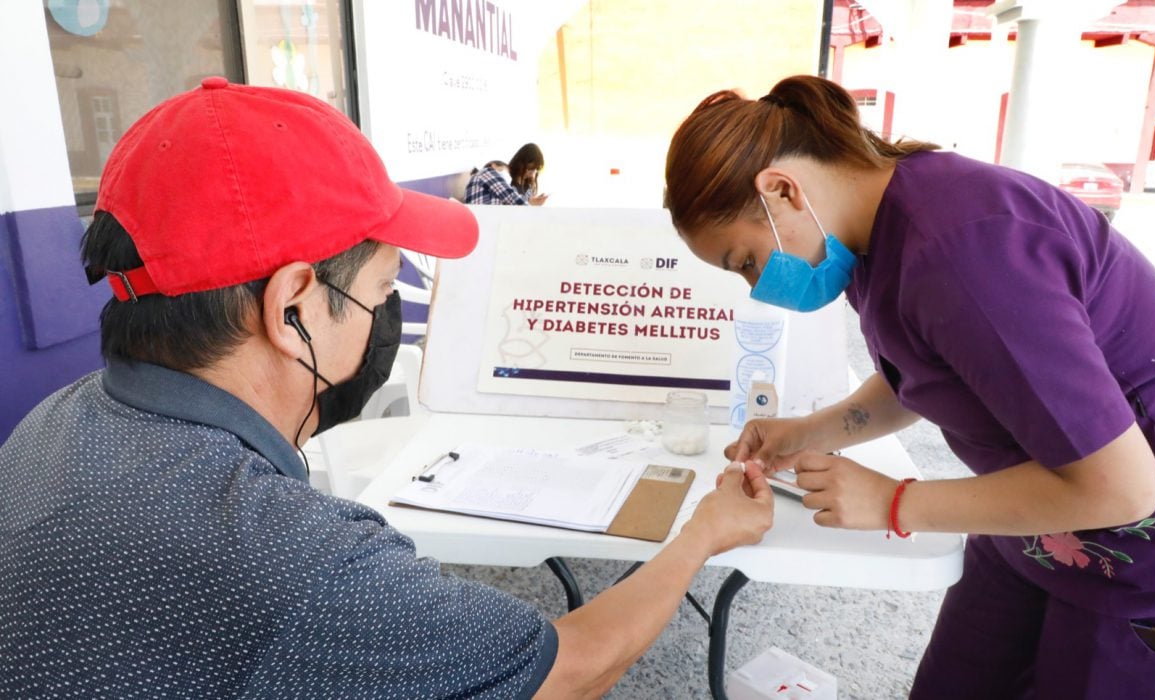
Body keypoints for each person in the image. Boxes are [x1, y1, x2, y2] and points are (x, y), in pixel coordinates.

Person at [0, 78, 774, 699]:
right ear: (292, 306)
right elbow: (569, 671)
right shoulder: (298, 564)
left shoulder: (50, 424)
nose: (383, 316)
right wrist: (702, 532)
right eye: (379, 290)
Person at [664, 74, 1155, 698]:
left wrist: (895, 503)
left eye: (745, 262)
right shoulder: (873, 238)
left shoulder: (964, 249)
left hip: (1132, 558)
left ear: (781, 190)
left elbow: (1125, 488)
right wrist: (808, 431)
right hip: (1026, 519)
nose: (757, 287)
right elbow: (925, 373)